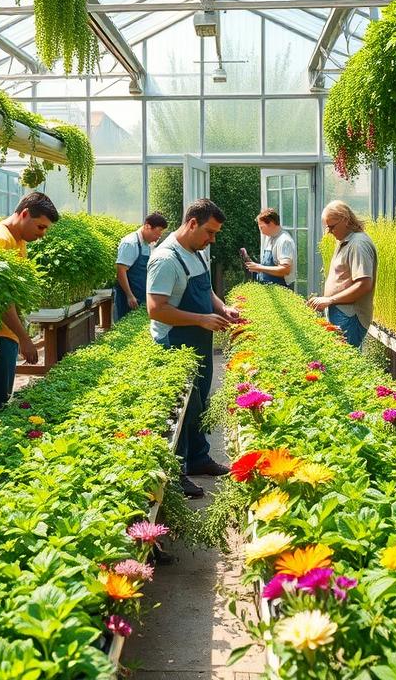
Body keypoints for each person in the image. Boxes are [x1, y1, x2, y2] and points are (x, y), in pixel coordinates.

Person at [147, 198, 238, 498]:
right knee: (181, 412)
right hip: (175, 343)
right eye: (209, 232)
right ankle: (179, 472)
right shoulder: (166, 258)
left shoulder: (196, 252)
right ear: (191, 223)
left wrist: (224, 309)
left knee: (199, 401)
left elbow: (207, 290)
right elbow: (156, 309)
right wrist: (201, 318)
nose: (212, 239)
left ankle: (199, 458)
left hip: (199, 340)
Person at [0, 192, 59, 418]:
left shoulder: (18, 240)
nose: (42, 234)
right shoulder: (0, 240)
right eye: (41, 227)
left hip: (6, 334)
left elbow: (13, 293)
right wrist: (24, 338)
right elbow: (1, 300)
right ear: (24, 214)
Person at [307, 201, 377, 349]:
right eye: (327, 227)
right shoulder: (345, 241)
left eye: (332, 226)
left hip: (350, 316)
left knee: (344, 363)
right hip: (341, 312)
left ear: (345, 219)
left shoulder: (358, 244)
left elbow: (364, 284)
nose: (329, 232)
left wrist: (330, 299)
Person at [114, 212, 169, 320]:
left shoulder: (147, 244)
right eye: (157, 232)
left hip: (141, 296)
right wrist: (129, 295)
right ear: (147, 226)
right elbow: (121, 271)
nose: (158, 237)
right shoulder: (130, 243)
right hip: (128, 299)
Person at [244, 207, 296, 289]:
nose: (260, 231)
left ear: (271, 223)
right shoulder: (270, 238)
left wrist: (259, 267)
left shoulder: (284, 241)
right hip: (270, 289)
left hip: (282, 290)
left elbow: (285, 270)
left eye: (261, 227)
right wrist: (257, 268)